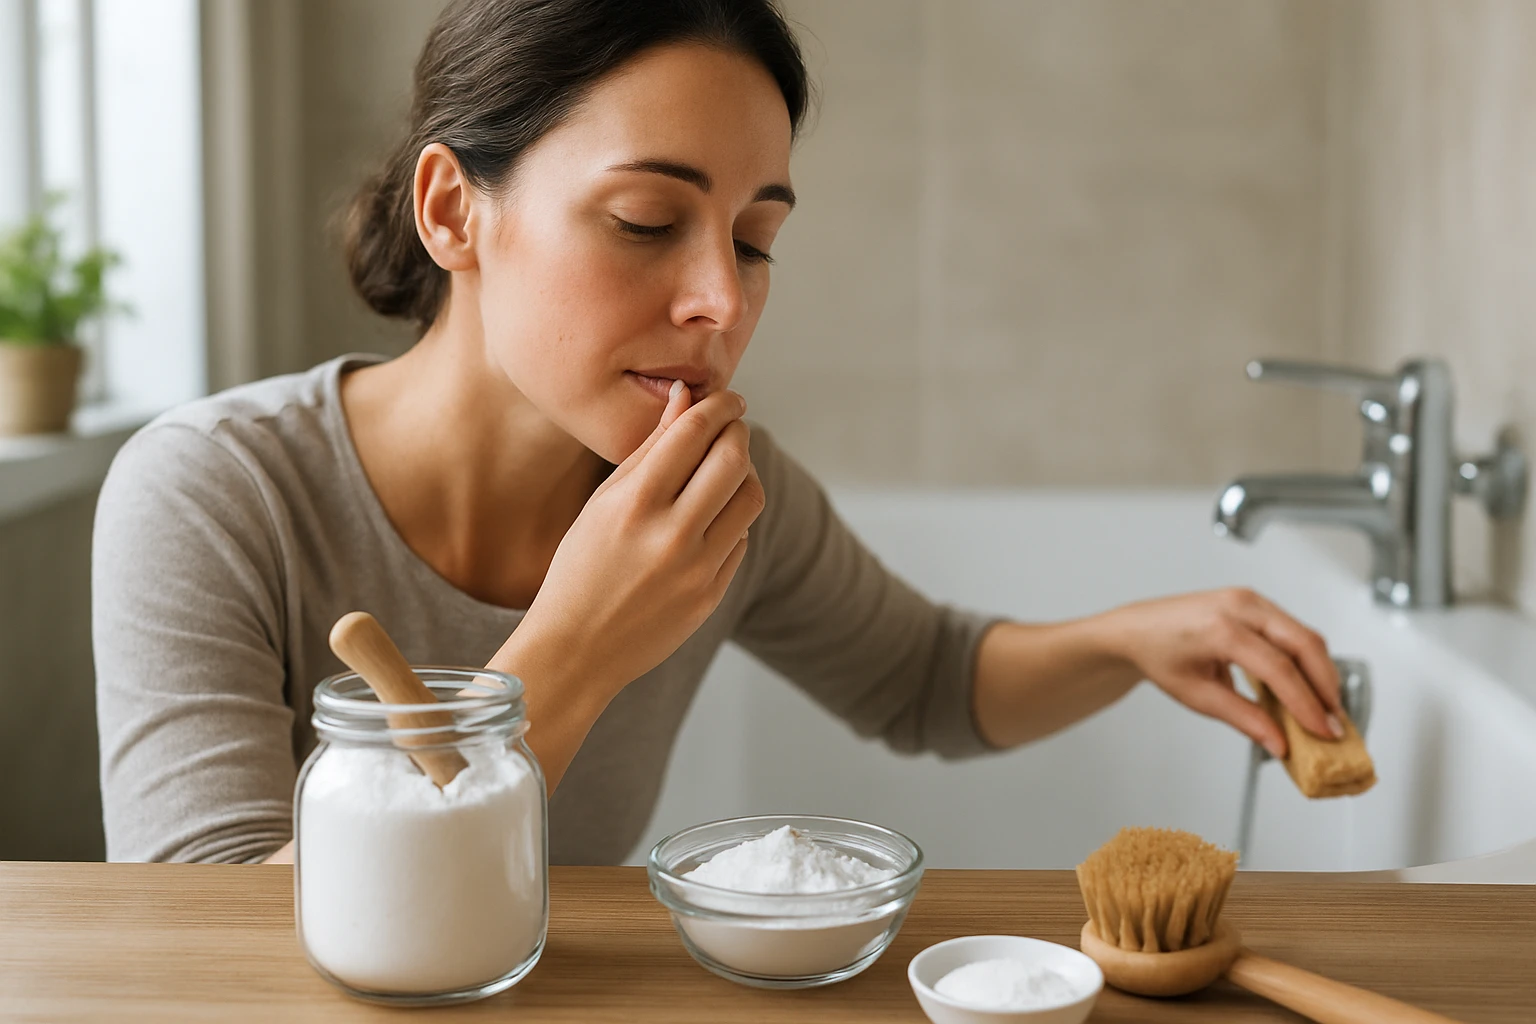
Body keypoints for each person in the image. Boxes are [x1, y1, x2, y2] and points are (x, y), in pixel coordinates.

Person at [93, 0, 1344, 866]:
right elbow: (213, 950)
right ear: (451, 212)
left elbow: (926, 681)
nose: (722, 299)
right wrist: (574, 649)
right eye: (647, 219)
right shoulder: (214, 495)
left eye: (755, 240)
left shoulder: (719, 503)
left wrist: (1132, 639)